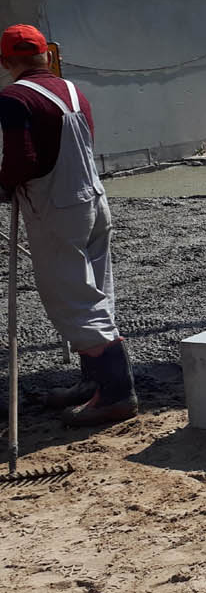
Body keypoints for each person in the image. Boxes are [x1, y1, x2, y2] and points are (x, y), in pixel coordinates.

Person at [0, 24, 136, 426]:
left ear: (6, 62)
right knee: (96, 292)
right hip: (93, 200)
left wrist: (4, 184)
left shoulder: (14, 98)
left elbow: (23, 160)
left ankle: (116, 394)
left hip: (57, 209)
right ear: (46, 54)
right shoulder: (72, 90)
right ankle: (95, 382)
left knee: (73, 300)